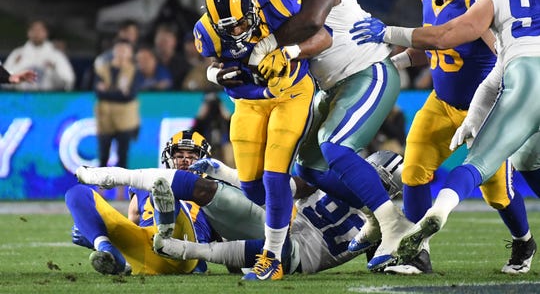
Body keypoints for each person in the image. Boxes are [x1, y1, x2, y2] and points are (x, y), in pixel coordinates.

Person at [349, 0, 540, 272]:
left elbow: (502, 51)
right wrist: (394, 64)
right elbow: (431, 46)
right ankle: (417, 254)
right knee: (414, 170)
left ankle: (524, 242)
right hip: (440, 102)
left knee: (497, 193)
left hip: (483, 109)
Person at [238, 0, 413, 271]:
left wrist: (271, 44)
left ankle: (394, 228)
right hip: (334, 87)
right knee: (308, 165)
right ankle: (375, 215)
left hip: (368, 69)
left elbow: (314, 19)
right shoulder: (278, 9)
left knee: (335, 145)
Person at [75, 147, 405, 276]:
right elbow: (285, 187)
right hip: (274, 227)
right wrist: (227, 173)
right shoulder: (329, 179)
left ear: (386, 185)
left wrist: (407, 260)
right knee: (204, 188)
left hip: (292, 258)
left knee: (283, 252)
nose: (361, 174)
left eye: (372, 173)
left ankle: (184, 247)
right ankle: (111, 178)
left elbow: (389, 262)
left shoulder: (384, 225)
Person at [194, 0, 327, 280]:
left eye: (241, 23)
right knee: (254, 188)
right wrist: (215, 76)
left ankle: (273, 258)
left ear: (254, 8)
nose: (238, 32)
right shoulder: (206, 33)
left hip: (292, 95)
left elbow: (325, 36)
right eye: (229, 28)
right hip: (249, 102)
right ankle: (300, 194)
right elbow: (214, 67)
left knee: (274, 174)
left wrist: (290, 52)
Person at [67, 129, 262, 275]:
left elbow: (230, 248)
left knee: (166, 189)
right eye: (179, 156)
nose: (185, 161)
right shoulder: (146, 184)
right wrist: (98, 232)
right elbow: (131, 222)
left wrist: (246, 261)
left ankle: (166, 228)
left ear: (203, 159)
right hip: (145, 247)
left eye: (192, 156)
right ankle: (106, 249)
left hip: (183, 252)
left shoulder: (212, 191)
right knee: (76, 193)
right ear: (169, 157)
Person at [94, 38, 141, 200]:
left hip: (125, 118)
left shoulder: (134, 71)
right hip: (105, 117)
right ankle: (101, 190)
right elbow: (99, 92)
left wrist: (109, 91)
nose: (121, 53)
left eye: (125, 50)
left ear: (130, 53)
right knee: (103, 155)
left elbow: (130, 95)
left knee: (123, 155)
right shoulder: (102, 69)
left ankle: (121, 192)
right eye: (119, 49)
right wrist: (119, 92)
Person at [3, 19, 75, 91]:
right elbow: (4, 82)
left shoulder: (56, 56)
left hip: (48, 98)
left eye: (40, 30)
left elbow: (68, 82)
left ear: (46, 33)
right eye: (34, 30)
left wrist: (54, 70)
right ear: (28, 32)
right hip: (21, 98)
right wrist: (16, 66)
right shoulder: (17, 54)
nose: (37, 33)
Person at [153, 22, 190, 89]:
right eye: (160, 40)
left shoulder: (183, 64)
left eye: (165, 41)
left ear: (174, 42)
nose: (162, 44)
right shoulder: (151, 62)